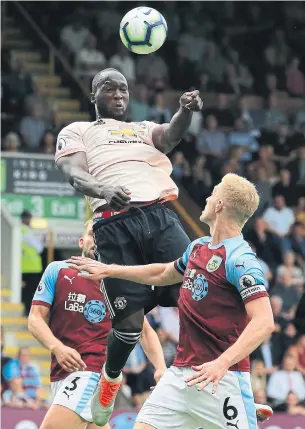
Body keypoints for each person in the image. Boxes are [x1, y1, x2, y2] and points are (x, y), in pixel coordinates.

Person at [55, 67, 203, 425]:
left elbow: (169, 136)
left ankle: (215, 375)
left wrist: (184, 111)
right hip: (112, 223)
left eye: (123, 89)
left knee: (197, 290)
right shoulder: (78, 131)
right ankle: (110, 379)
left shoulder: (141, 129)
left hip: (160, 216)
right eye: (109, 88)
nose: (119, 94)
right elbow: (75, 174)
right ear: (93, 97)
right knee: (130, 325)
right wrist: (104, 190)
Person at [68, 173, 275, 428]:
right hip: (179, 375)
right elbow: (163, 273)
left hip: (221, 378)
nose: (208, 198)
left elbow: (264, 322)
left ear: (220, 205)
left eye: (213, 194)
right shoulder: (198, 247)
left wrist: (222, 363)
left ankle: (245, 406)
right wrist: (111, 270)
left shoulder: (241, 260)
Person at [28, 220, 167, 429]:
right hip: (61, 373)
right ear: (82, 241)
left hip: (92, 371)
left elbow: (145, 332)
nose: (99, 239)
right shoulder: (58, 270)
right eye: (94, 234)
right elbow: (35, 318)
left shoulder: (120, 284)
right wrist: (57, 347)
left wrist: (161, 368)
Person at [20, 210, 44, 315]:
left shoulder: (19, 230)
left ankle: (26, 309)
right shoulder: (26, 232)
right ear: (26, 219)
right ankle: (28, 310)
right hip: (32, 267)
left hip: (22, 266)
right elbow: (39, 248)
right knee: (32, 290)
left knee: (25, 289)